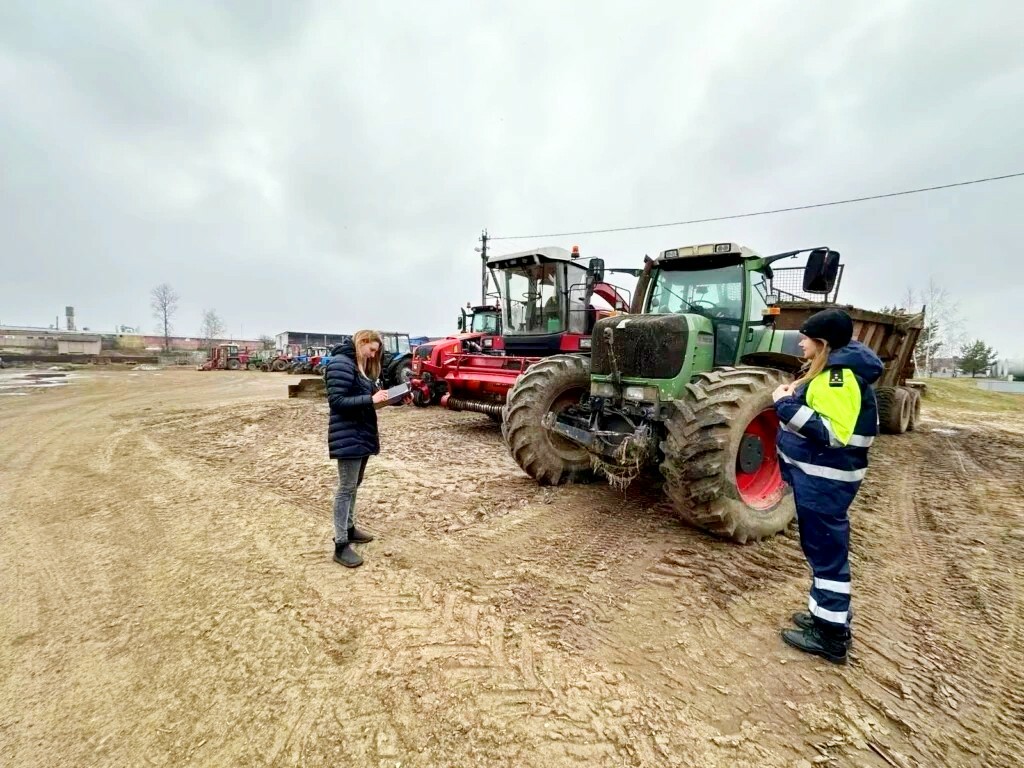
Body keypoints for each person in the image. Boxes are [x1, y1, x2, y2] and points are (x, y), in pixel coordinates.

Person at [772, 308, 884, 664]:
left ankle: (832, 637)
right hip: (819, 480)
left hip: (826, 481)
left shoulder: (838, 378)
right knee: (823, 554)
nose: (800, 342)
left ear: (822, 343)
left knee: (828, 559)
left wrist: (785, 405)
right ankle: (825, 617)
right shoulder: (829, 374)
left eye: (806, 337)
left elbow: (833, 434)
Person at [325, 329, 406, 568]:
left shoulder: (358, 366)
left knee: (354, 485)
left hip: (360, 433)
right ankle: (340, 545)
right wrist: (370, 400)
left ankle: (349, 529)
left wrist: (397, 398)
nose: (373, 356)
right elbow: (337, 402)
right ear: (362, 342)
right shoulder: (341, 364)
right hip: (347, 435)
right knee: (345, 488)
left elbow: (370, 397)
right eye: (371, 350)